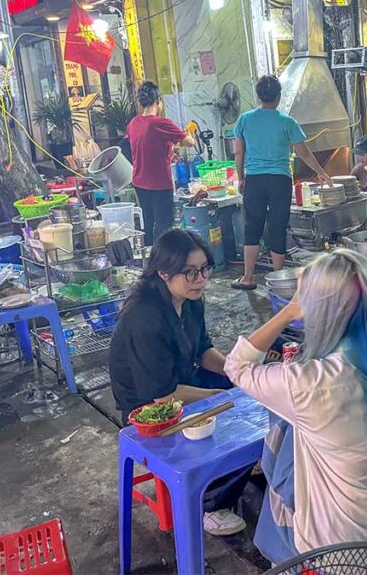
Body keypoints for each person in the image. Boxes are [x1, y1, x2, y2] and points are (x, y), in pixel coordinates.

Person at [224, 249, 367, 563]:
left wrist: (288, 311)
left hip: (345, 549)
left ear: (319, 310)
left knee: (281, 477)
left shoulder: (310, 383)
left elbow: (236, 367)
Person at [108, 229, 249, 536]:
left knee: (246, 396)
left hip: (179, 382)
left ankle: (235, 469)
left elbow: (202, 350)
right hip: (148, 411)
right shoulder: (145, 316)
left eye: (204, 269)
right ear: (163, 271)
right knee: (232, 414)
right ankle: (211, 504)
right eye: (189, 272)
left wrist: (239, 372)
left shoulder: (190, 299)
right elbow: (161, 396)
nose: (200, 279)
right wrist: (221, 397)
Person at [231, 75, 332, 290]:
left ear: (259, 96)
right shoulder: (287, 122)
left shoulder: (245, 120)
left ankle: (248, 278)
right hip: (280, 180)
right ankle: (277, 280)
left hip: (255, 180)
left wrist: (241, 178)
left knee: (253, 227)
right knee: (278, 227)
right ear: (278, 97)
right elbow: (303, 153)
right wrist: (321, 172)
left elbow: (239, 152)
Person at [126, 81, 196, 245]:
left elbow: (145, 146)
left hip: (139, 181)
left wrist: (169, 150)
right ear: (158, 101)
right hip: (159, 183)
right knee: (163, 223)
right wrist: (188, 133)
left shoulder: (133, 123)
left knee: (148, 223)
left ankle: (150, 258)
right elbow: (190, 142)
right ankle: (162, 261)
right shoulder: (161, 122)